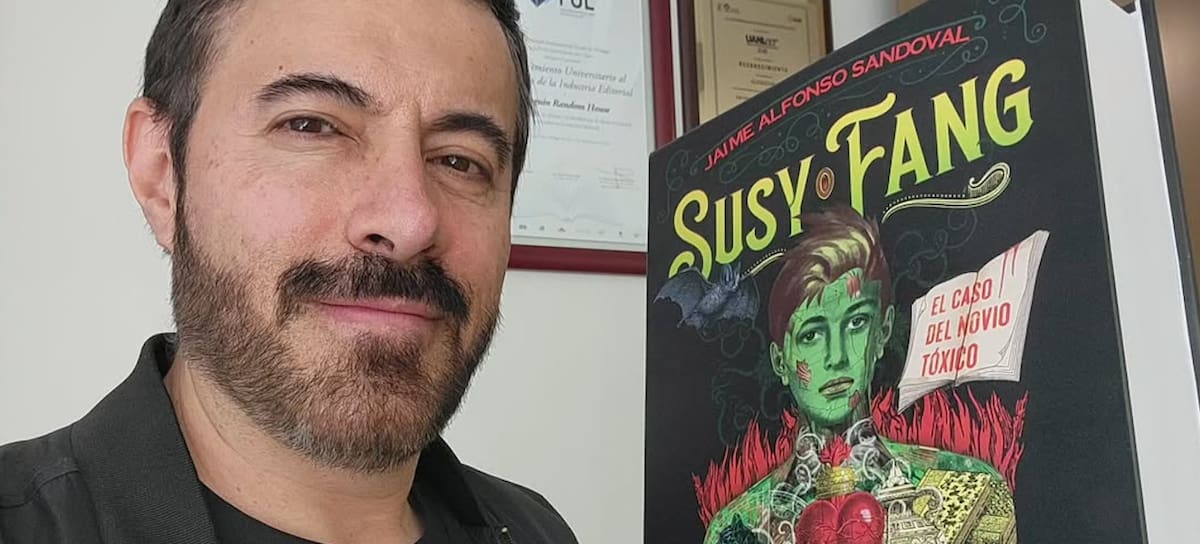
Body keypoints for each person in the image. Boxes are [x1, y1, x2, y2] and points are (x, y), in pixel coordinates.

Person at [0, 1, 578, 542]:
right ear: (161, 173)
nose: (409, 221)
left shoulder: (536, 529)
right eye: (311, 126)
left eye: (459, 160)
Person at [703, 206, 1015, 544]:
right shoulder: (737, 528)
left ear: (882, 332)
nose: (837, 357)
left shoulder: (972, 489)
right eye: (811, 334)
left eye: (856, 322)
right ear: (780, 361)